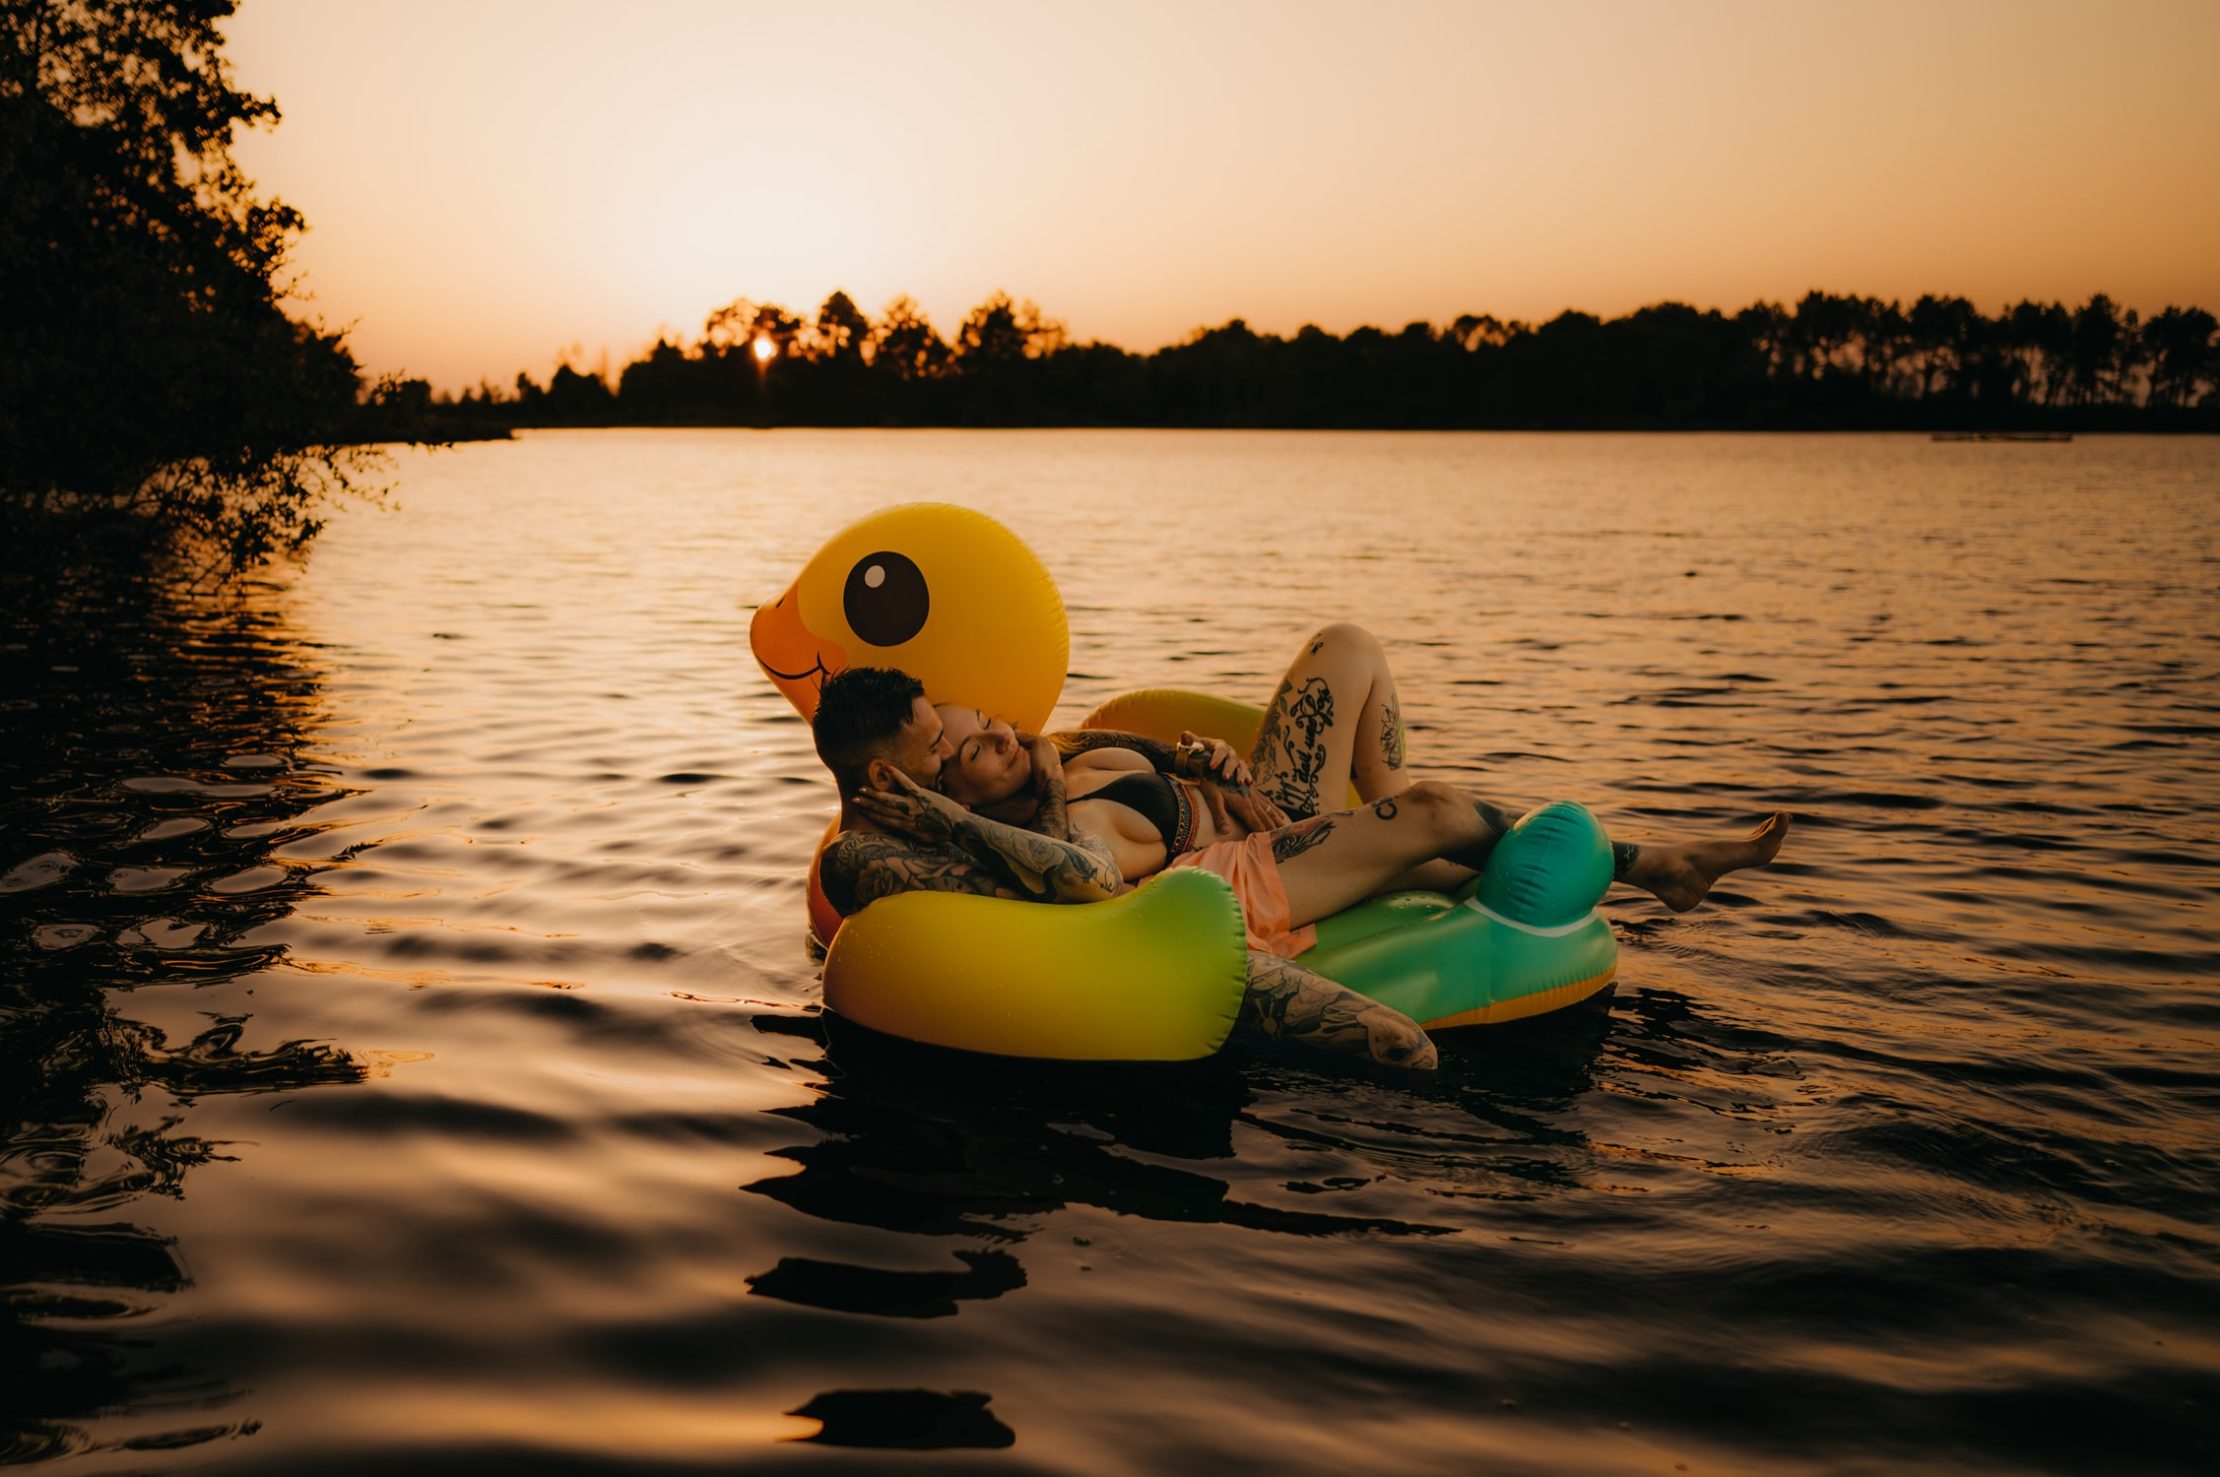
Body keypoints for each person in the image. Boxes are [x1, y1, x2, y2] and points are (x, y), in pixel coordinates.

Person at [934, 623, 1791, 960]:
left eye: (992, 720)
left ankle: (1404, 843)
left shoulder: (1065, 750)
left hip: (1263, 807)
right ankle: (1659, 866)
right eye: (976, 746)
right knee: (1441, 813)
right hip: (1246, 869)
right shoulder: (1055, 832)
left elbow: (1147, 749)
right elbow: (1072, 875)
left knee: (1348, 646)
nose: (1004, 733)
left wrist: (1208, 765)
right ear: (958, 799)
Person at [812, 665, 1439, 1070]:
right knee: (1396, 1044)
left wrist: (1204, 763)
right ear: (882, 776)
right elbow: (1083, 883)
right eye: (934, 749)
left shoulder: (970, 799)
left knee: (1403, 1041)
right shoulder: (858, 858)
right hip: (1112, 949)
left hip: (1126, 917)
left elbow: (1085, 850)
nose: (948, 754)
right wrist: (958, 817)